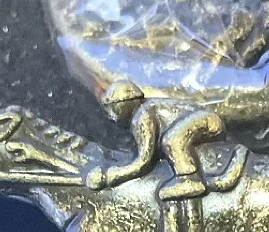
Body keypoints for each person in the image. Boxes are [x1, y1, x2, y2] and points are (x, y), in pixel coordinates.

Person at [85, 80, 226, 200]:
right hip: (206, 119)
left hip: (209, 122)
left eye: (113, 108)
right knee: (170, 139)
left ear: (126, 103)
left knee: (171, 140)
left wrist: (110, 176)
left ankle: (191, 180)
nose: (110, 116)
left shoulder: (142, 116)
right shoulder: (144, 112)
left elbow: (143, 162)